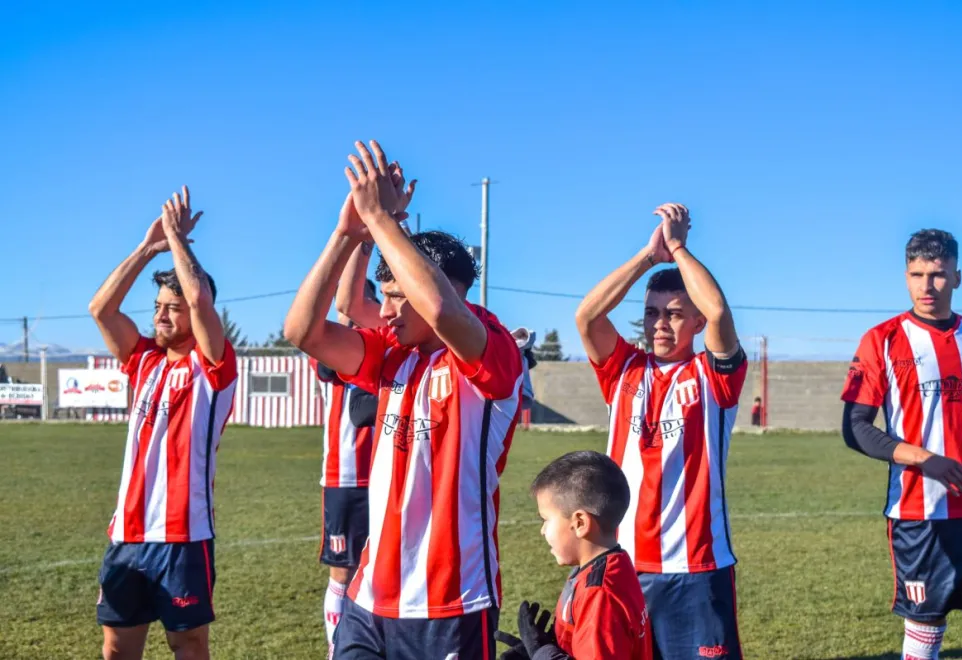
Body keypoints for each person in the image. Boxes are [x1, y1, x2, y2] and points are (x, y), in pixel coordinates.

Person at [283, 140, 524, 659]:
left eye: (396, 296)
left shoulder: (493, 348)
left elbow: (439, 309)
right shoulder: (394, 352)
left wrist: (380, 218)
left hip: (451, 602)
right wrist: (348, 234)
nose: (385, 311)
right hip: (369, 598)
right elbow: (303, 331)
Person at [574, 203, 747, 659]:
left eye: (673, 314)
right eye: (652, 313)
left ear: (696, 323)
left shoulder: (712, 376)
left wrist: (678, 249)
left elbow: (719, 311)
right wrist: (648, 257)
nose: (659, 324)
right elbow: (587, 317)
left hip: (697, 567)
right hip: (623, 564)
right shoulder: (623, 369)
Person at [88, 187, 237, 660]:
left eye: (172, 307)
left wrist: (178, 242)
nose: (160, 315)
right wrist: (147, 247)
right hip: (127, 534)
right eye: (157, 307)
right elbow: (101, 309)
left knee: (187, 644)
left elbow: (200, 299)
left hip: (183, 535)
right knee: (117, 647)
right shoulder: (145, 360)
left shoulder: (212, 365)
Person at [840, 228, 962, 660]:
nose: (928, 285)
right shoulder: (883, 340)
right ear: (906, 277)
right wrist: (926, 459)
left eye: (939, 274)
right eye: (918, 274)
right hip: (920, 513)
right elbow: (855, 427)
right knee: (927, 628)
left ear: (957, 277)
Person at [496, 451, 652, 660]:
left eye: (545, 519)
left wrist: (541, 652)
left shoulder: (600, 594)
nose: (542, 530)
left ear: (580, 523)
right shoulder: (603, 568)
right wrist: (539, 650)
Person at [315, 280, 381, 658]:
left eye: (360, 304)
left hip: (391, 477)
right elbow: (327, 366)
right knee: (343, 571)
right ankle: (336, 648)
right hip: (345, 478)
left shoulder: (388, 350)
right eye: (346, 309)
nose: (352, 316)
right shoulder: (333, 347)